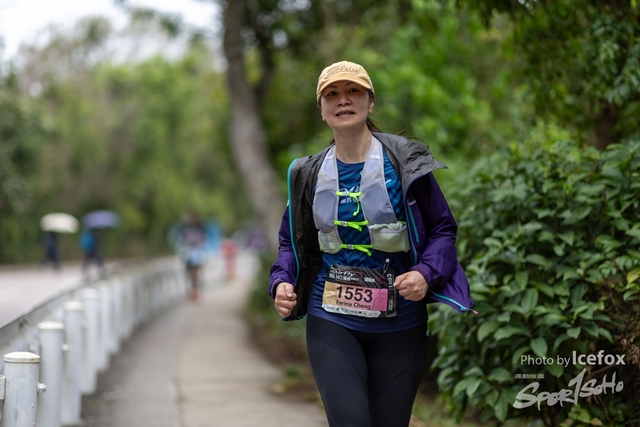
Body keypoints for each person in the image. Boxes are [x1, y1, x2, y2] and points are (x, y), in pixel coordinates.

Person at [268, 60, 475, 427]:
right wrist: (281, 281)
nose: (343, 100)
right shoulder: (307, 173)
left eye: (353, 91)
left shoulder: (404, 162)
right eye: (332, 94)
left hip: (401, 323)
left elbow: (443, 229)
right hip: (331, 318)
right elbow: (291, 241)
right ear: (321, 109)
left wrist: (426, 273)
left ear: (370, 102)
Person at [177, 213, 209, 301]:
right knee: (189, 273)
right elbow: (182, 240)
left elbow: (204, 239)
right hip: (188, 253)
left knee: (195, 273)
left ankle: (196, 291)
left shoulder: (200, 229)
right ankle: (191, 291)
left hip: (196, 253)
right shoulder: (185, 229)